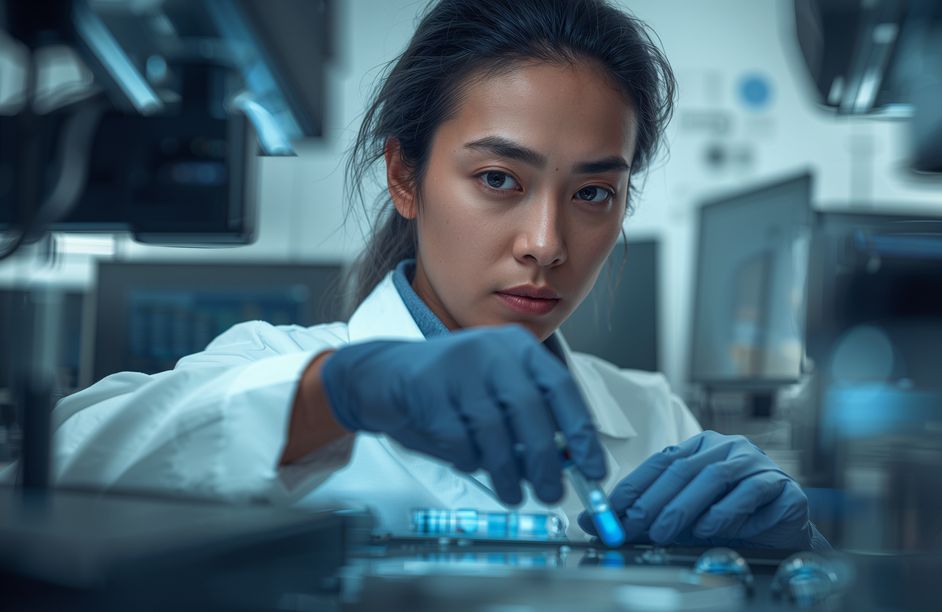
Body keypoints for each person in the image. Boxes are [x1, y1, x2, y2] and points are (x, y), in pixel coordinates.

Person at [39, 0, 827, 550]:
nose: (547, 244)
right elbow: (58, 470)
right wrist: (345, 391)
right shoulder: (275, 369)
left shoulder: (651, 419)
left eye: (594, 193)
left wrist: (794, 563)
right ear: (405, 176)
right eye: (498, 179)